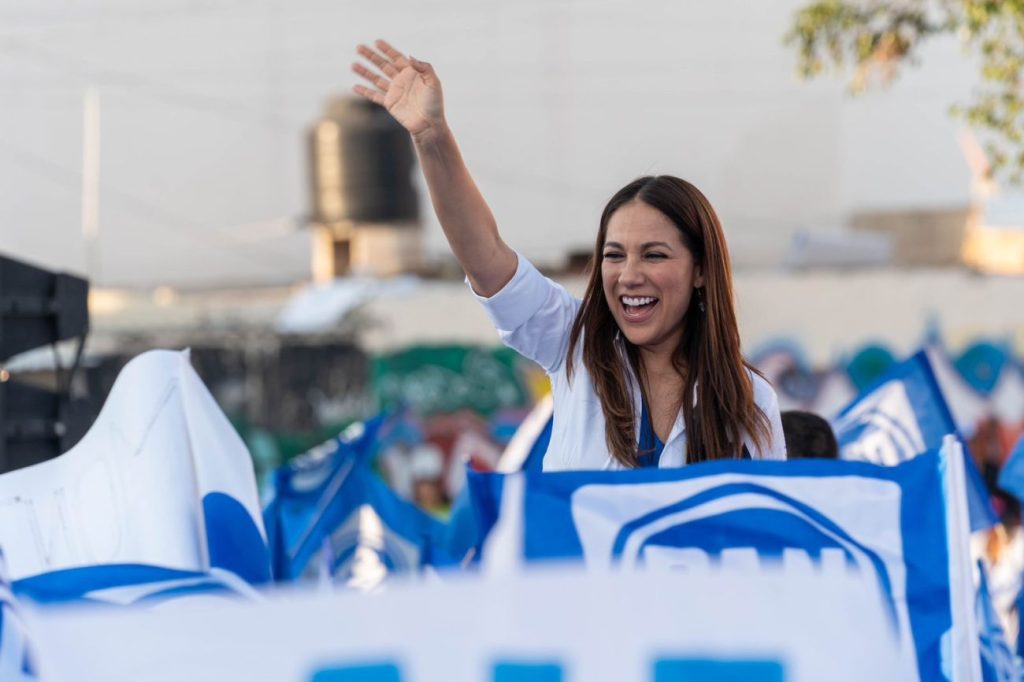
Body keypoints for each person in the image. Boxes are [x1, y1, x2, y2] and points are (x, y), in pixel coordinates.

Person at [352, 40, 786, 470]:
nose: (629, 275)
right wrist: (432, 138)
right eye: (614, 256)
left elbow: (770, 513)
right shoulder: (573, 344)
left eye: (654, 255)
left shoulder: (751, 399)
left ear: (701, 270)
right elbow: (485, 256)